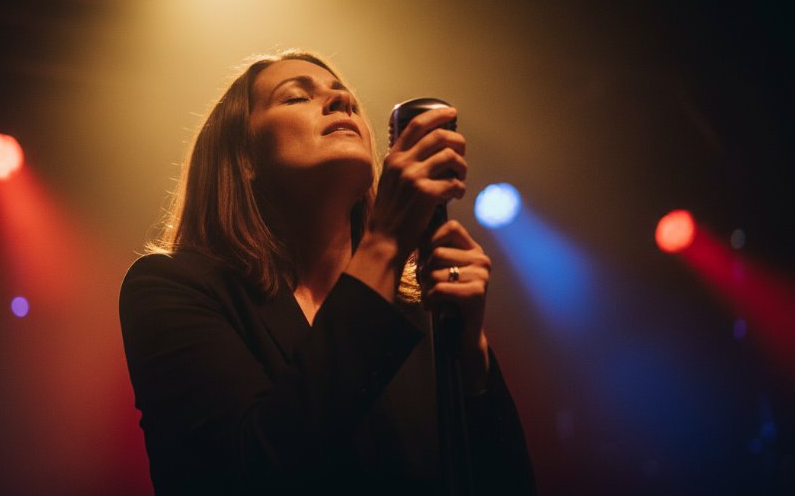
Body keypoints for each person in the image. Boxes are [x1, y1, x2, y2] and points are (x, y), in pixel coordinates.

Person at [119, 50, 535, 495]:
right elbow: (250, 470)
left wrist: (471, 355)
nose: (340, 101)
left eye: (348, 99)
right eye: (296, 96)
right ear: (244, 157)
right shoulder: (172, 288)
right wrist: (385, 244)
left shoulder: (418, 318)